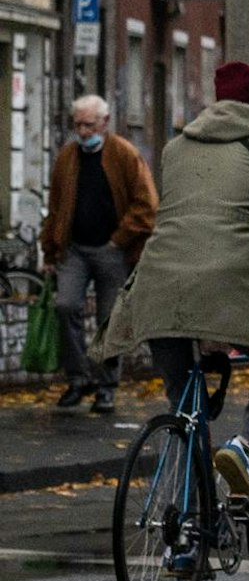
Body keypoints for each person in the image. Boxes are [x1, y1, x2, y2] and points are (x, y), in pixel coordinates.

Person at [91, 62, 249, 515]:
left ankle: (185, 535)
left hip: (159, 289)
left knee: (186, 413)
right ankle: (247, 448)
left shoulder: (177, 147)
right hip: (239, 287)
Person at [38, 94, 158, 413]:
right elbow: (55, 208)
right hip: (75, 248)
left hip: (112, 250)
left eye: (89, 124)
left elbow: (147, 205)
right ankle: (78, 379)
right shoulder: (67, 157)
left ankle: (107, 385)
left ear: (104, 123)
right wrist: (49, 250)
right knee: (65, 306)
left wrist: (119, 240)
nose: (83, 131)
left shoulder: (124, 154)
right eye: (78, 124)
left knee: (109, 320)